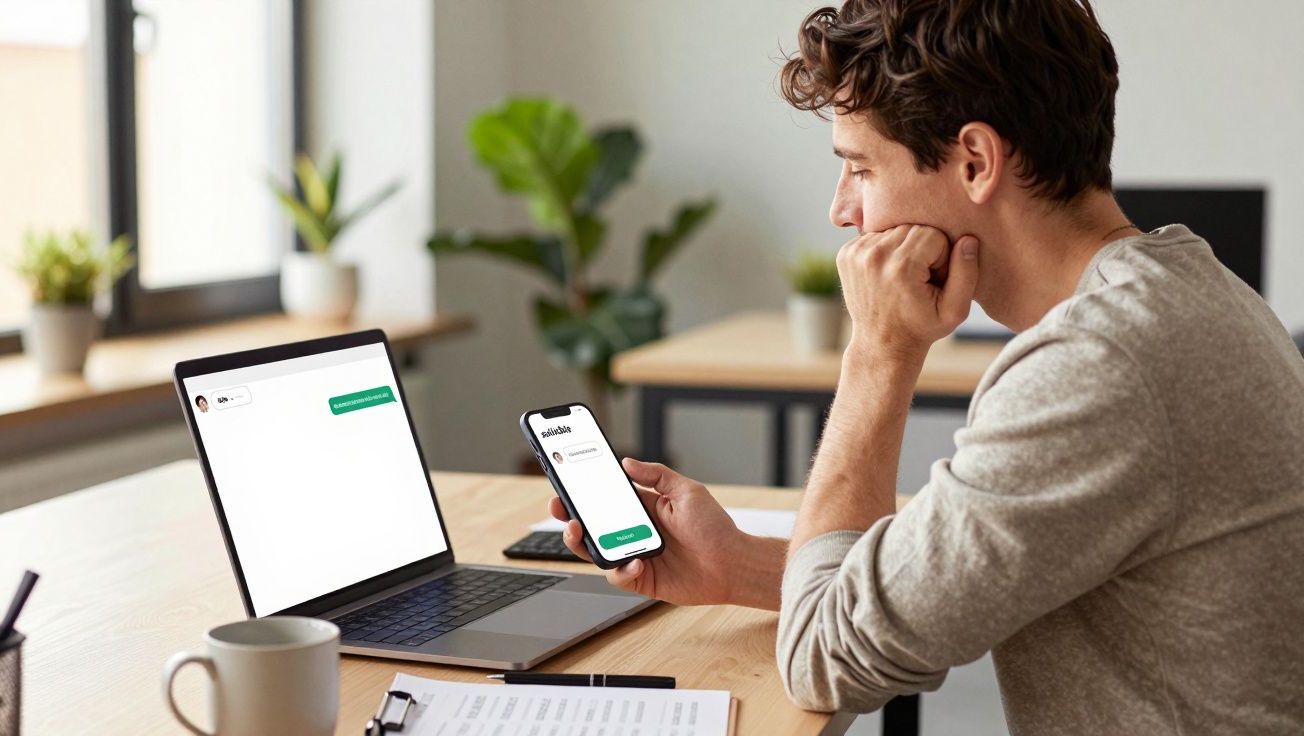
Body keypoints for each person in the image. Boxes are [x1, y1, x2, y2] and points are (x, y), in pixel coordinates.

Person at [547, 1, 1304, 732]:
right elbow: (944, 576)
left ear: (975, 160)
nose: (842, 211)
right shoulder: (1180, 284)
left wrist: (879, 353)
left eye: (861, 169)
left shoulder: (1098, 367)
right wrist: (741, 566)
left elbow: (824, 658)